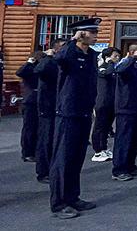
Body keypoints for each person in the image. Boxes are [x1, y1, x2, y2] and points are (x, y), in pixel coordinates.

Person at [49, 17, 101, 220]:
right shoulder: (69, 52)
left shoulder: (91, 55)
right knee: (63, 159)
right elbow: (59, 60)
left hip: (84, 111)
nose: (96, 36)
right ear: (81, 34)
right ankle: (59, 203)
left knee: (77, 158)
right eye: (92, 32)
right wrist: (72, 41)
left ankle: (72, 197)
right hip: (68, 113)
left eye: (96, 32)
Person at [112, 43, 137, 181]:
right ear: (135, 52)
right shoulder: (127, 64)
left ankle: (130, 165)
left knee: (134, 139)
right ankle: (119, 169)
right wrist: (132, 58)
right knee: (124, 139)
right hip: (126, 108)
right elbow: (120, 70)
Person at [35, 38, 67, 183]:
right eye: (63, 46)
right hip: (47, 107)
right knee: (46, 140)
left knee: (56, 140)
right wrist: (48, 57)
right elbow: (38, 70)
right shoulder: (48, 62)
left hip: (60, 106)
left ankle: (53, 169)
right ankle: (43, 172)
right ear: (55, 49)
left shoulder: (61, 63)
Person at [91, 47, 120, 163]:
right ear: (107, 57)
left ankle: (104, 147)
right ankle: (97, 151)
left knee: (107, 127)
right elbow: (107, 73)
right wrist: (110, 63)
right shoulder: (102, 68)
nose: (117, 58)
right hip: (102, 102)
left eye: (118, 56)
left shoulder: (114, 69)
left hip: (111, 102)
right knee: (99, 127)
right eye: (115, 56)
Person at [17, 52, 43, 162]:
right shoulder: (29, 69)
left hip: (39, 101)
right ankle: (27, 153)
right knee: (29, 128)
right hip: (30, 101)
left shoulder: (41, 69)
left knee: (37, 128)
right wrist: (29, 62)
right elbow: (20, 72)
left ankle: (35, 151)